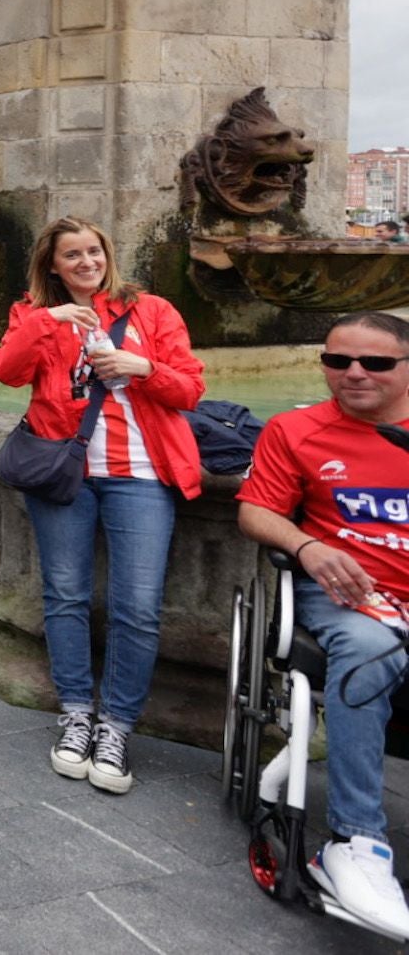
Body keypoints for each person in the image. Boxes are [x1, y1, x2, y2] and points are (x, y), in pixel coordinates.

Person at [0, 216, 205, 795]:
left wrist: (143, 368)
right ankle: (77, 713)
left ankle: (117, 726)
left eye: (94, 251)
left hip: (140, 473)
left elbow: (191, 389)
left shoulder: (152, 311)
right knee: (65, 596)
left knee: (137, 606)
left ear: (107, 255)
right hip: (65, 474)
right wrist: (45, 320)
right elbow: (6, 373)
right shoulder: (33, 315)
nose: (87, 262)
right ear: (52, 265)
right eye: (72, 255)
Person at [235, 312, 409, 938]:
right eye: (338, 361)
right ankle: (354, 843)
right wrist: (308, 548)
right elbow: (256, 510)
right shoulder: (297, 429)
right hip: (343, 596)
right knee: (369, 650)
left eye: (375, 363)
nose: (352, 374)